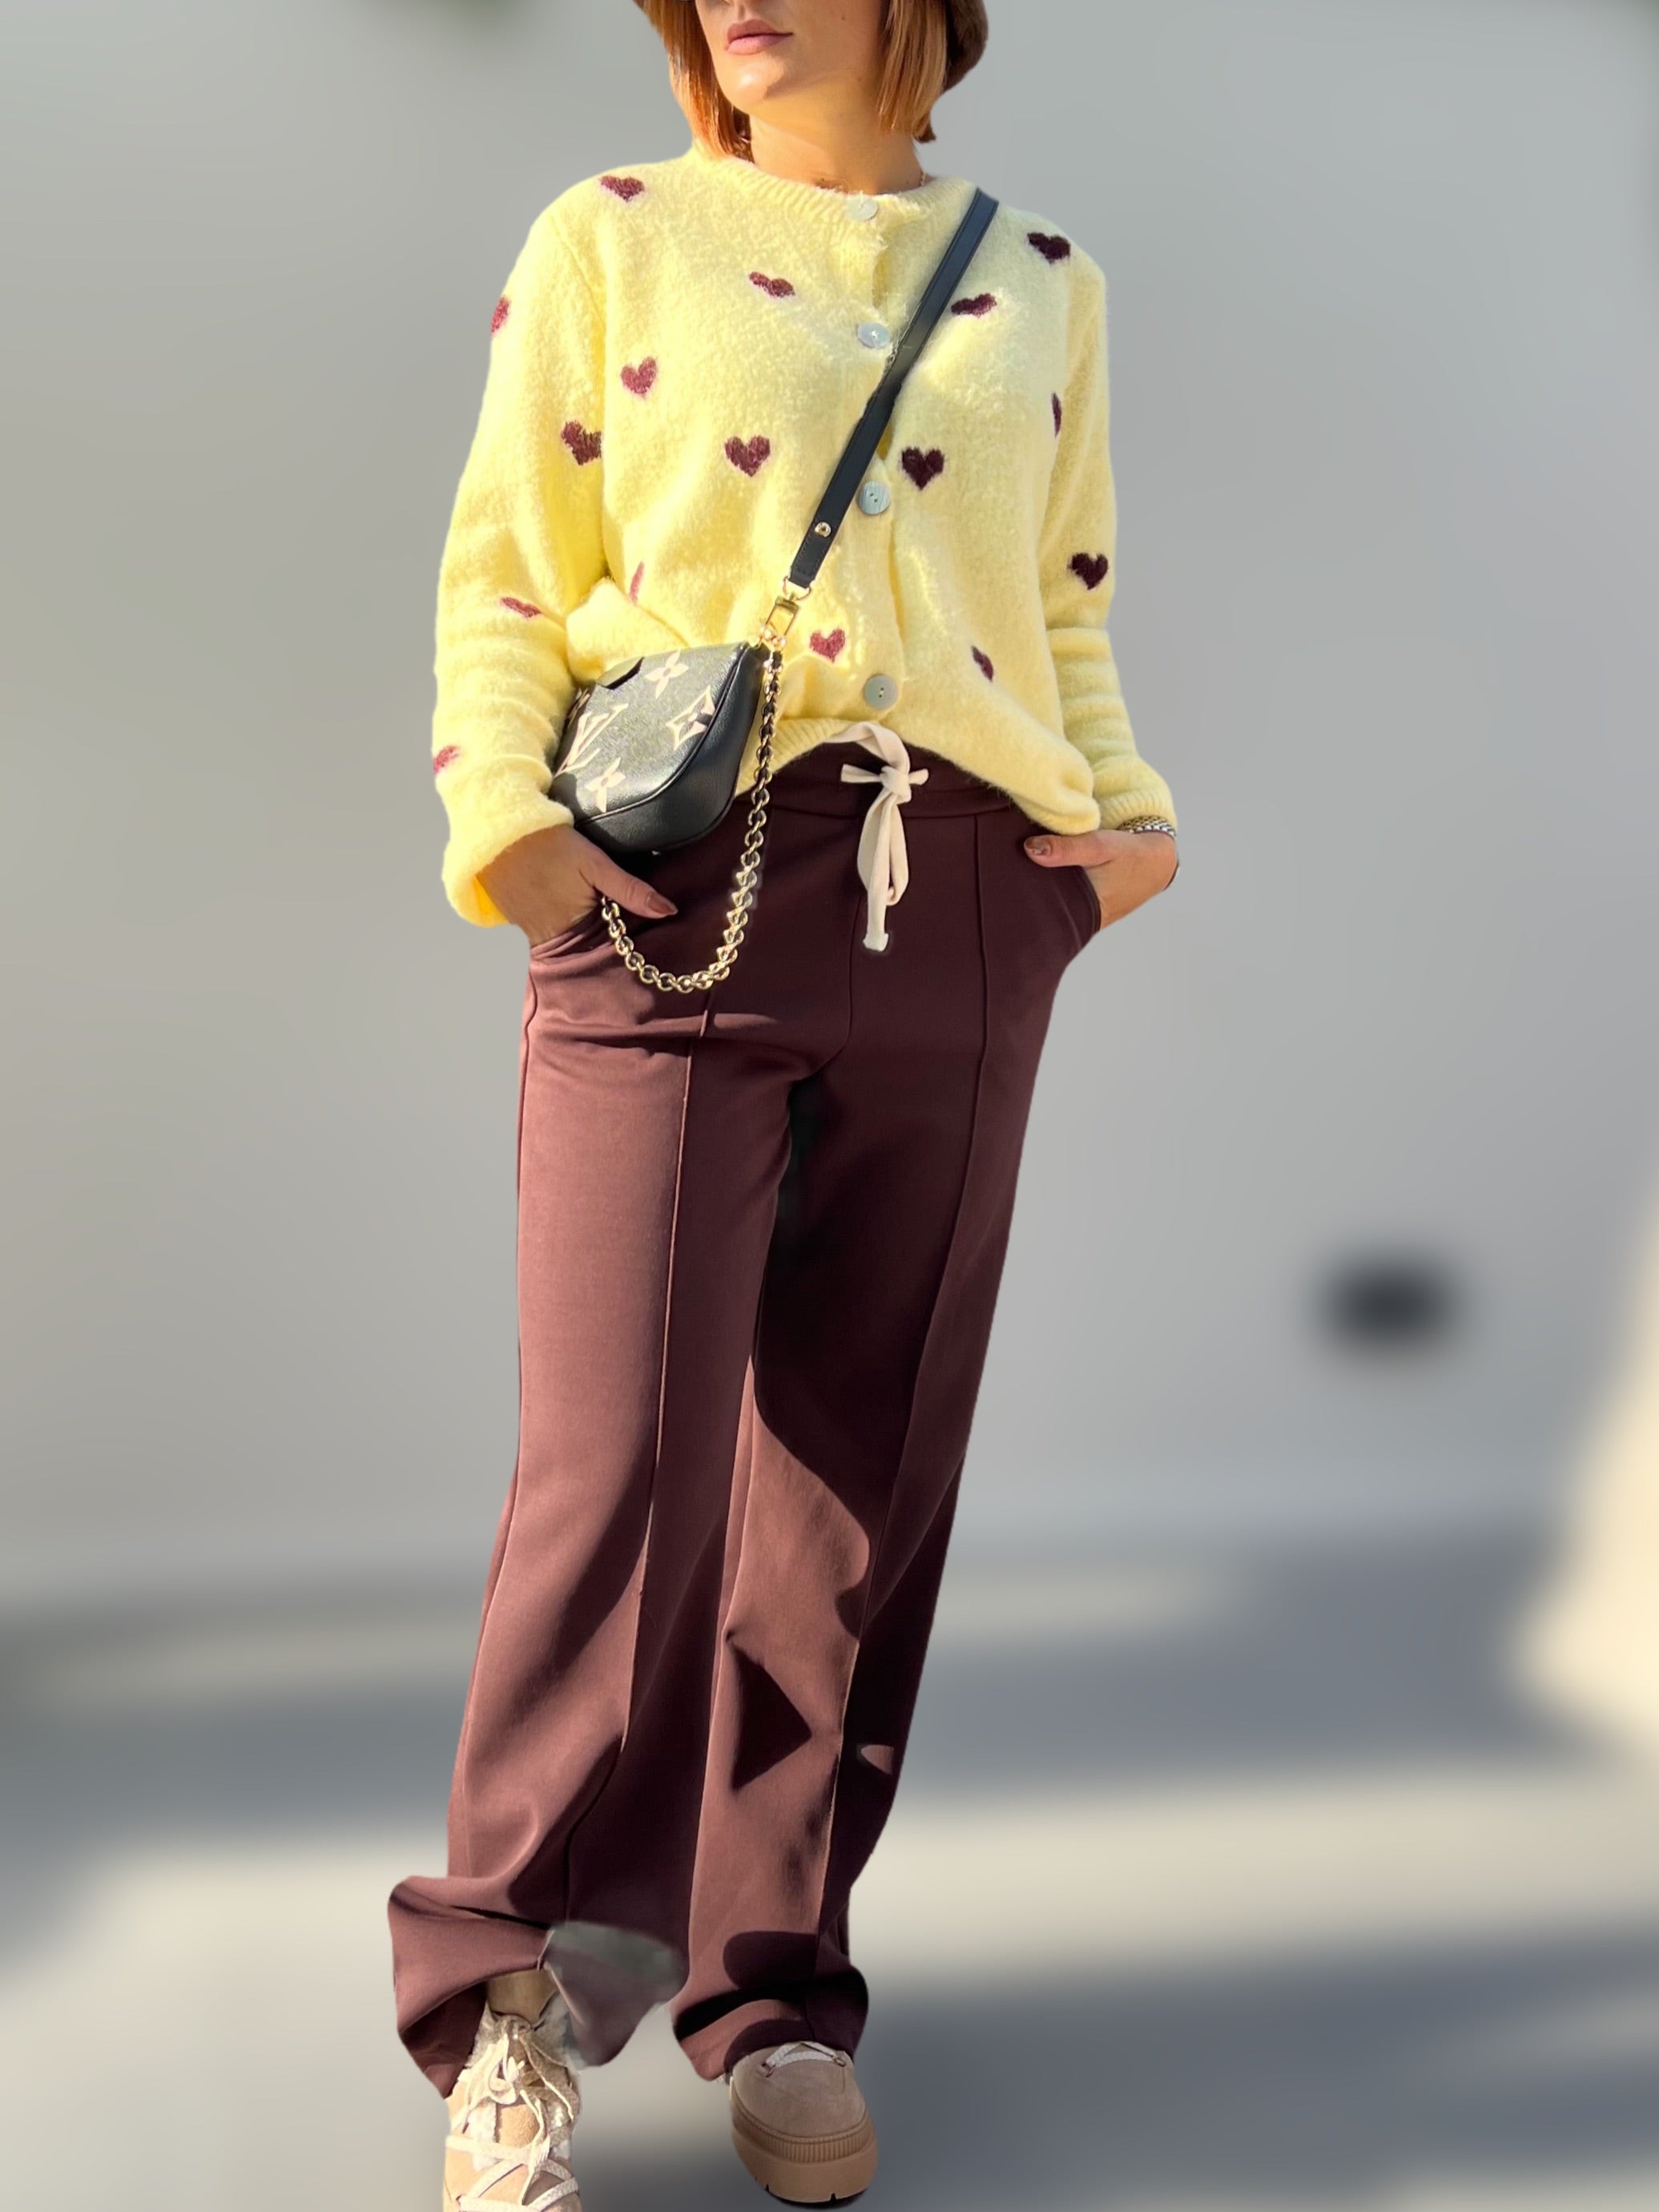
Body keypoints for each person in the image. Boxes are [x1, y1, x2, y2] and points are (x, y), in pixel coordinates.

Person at [389, 2, 1180, 2204]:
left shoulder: (1041, 278)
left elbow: (1064, 604)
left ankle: (777, 1987)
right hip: (677, 888)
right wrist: (510, 828)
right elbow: (507, 565)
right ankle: (507, 1996)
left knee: (861, 1471)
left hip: (969, 895)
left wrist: (1119, 828)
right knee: (619, 1471)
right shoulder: (612, 234)